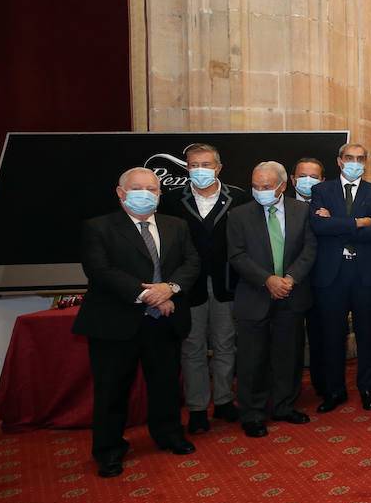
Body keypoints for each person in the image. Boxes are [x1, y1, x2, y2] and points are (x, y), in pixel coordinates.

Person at [73, 167, 200, 477]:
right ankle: (109, 449)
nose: (146, 194)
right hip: (115, 324)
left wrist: (168, 288)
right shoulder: (98, 227)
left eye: (152, 189)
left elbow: (191, 262)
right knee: (112, 390)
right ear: (121, 193)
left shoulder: (176, 225)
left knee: (166, 384)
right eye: (138, 188)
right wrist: (148, 295)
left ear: (159, 194)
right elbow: (100, 271)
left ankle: (169, 434)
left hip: (163, 322)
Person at [159, 143, 247, 434]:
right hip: (187, 286)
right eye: (194, 165)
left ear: (218, 168)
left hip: (226, 284)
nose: (200, 170)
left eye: (206, 165)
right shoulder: (172, 200)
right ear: (186, 168)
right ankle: (197, 408)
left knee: (225, 344)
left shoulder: (238, 197)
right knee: (193, 347)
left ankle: (223, 400)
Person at [227, 162, 317, 437]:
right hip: (255, 295)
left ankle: (284, 405)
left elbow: (309, 249)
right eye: (256, 187)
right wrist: (268, 280)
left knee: (288, 355)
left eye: (266, 187)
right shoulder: (239, 215)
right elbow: (237, 255)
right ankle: (252, 413)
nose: (260, 191)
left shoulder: (303, 212)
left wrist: (289, 279)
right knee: (252, 359)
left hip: (291, 294)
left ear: (282, 185)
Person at [308, 142, 371, 412]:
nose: (355, 162)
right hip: (331, 274)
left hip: (365, 273)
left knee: (367, 334)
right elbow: (319, 226)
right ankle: (335, 391)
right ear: (340, 160)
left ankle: (367, 388)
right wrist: (357, 222)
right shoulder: (320, 190)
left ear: (366, 162)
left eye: (360, 158)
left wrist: (336, 222)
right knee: (333, 335)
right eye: (350, 158)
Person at [288, 157, 328, 390]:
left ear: (322, 180)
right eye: (302, 176)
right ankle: (288, 390)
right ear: (292, 180)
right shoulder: (280, 204)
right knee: (290, 341)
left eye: (313, 177)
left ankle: (322, 386)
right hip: (290, 282)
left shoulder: (330, 204)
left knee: (321, 337)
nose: (307, 181)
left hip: (322, 281)